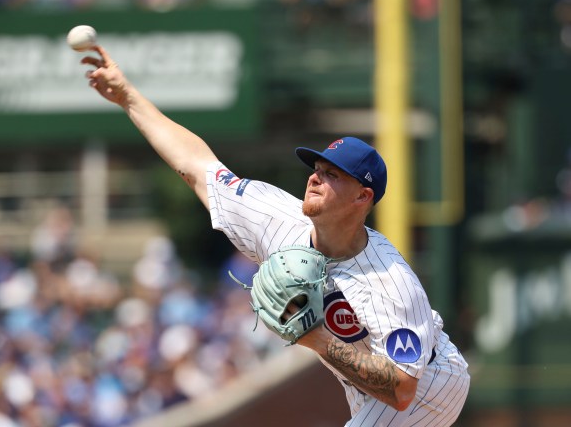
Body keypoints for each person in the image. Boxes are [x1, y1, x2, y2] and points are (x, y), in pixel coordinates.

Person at [79, 46, 470, 426]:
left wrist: (316, 339)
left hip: (430, 385)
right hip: (368, 384)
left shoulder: (389, 283)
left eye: (332, 175)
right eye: (316, 168)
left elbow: (402, 390)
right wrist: (128, 98)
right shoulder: (277, 219)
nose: (315, 177)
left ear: (362, 197)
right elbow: (196, 166)